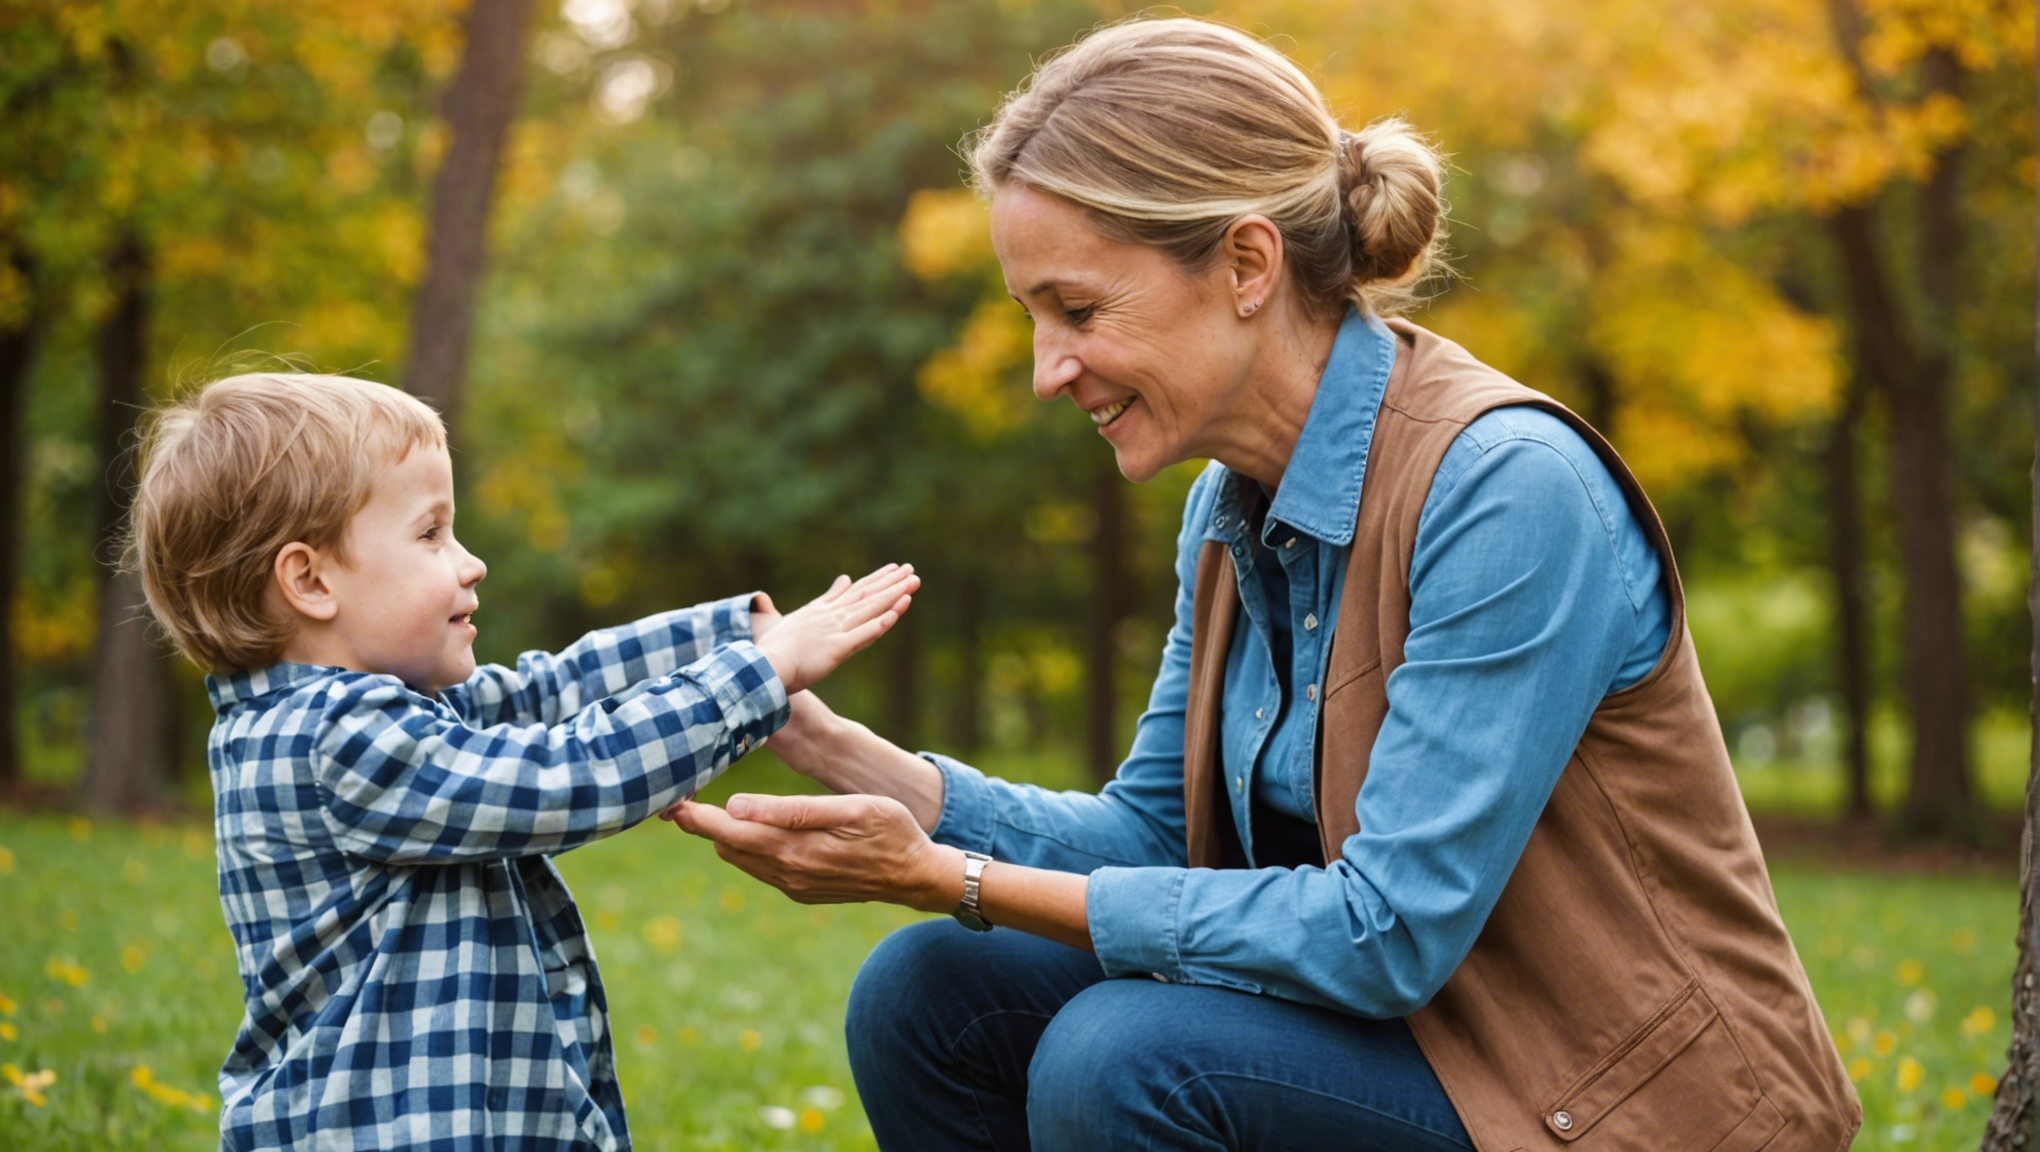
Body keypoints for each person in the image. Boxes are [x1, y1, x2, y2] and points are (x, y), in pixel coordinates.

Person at [671, 14, 1863, 1152]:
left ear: (1247, 262)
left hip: (1614, 1108)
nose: (1047, 371)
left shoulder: (1506, 486)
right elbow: (1154, 837)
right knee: (931, 990)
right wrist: (835, 750)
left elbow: (1385, 932)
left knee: (1123, 1054)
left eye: (1078, 309)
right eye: (1034, 318)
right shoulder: (1229, 508)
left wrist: (950, 875)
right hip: (1429, 1054)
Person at [126, 370, 918, 1152]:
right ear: (310, 579)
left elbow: (551, 694)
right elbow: (565, 777)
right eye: (431, 533)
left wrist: (725, 636)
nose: (469, 562)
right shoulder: (332, 739)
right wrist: (760, 675)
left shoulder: (392, 715)